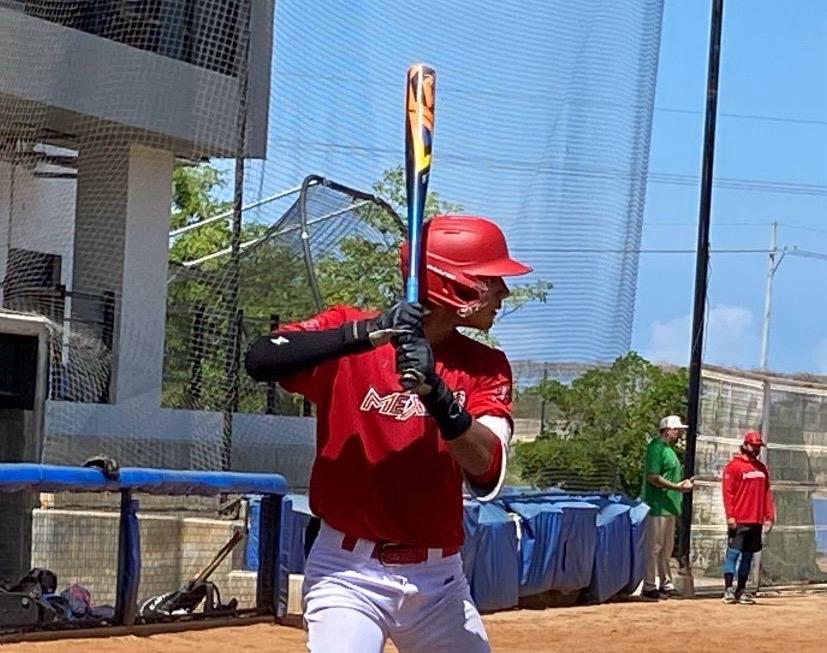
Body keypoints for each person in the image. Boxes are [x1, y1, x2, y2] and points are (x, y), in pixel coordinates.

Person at [245, 215, 531, 653]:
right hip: (347, 572)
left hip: (440, 582)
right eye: (490, 280)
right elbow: (262, 358)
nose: (503, 292)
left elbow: (486, 471)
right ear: (453, 286)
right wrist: (370, 333)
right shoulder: (350, 332)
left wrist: (437, 394)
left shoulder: (486, 366)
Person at [640, 415, 695, 599]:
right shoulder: (656, 448)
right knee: (654, 547)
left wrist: (680, 485)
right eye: (677, 429)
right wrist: (677, 487)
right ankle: (649, 585)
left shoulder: (669, 450)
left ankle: (666, 583)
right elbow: (653, 477)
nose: (679, 432)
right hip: (657, 506)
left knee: (666, 548)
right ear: (667, 430)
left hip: (670, 506)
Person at [721, 430, 775, 605]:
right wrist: (730, 516)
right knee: (733, 553)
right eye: (754, 446)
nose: (756, 449)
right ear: (745, 445)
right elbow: (727, 493)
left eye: (759, 446)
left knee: (748, 555)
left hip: (756, 520)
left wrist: (769, 515)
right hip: (740, 518)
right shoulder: (733, 467)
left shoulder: (761, 469)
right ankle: (728, 589)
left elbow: (766, 492)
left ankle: (741, 590)